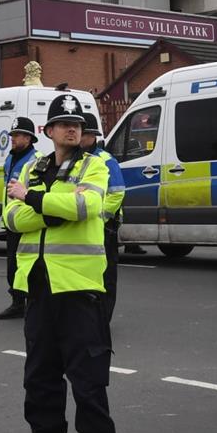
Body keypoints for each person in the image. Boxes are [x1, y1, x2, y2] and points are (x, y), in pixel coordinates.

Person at [3, 93, 116, 433]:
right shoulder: (32, 166)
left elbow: (85, 208)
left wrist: (34, 200)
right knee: (40, 372)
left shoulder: (95, 166)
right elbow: (11, 217)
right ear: (48, 131)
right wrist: (51, 207)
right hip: (37, 283)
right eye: (64, 123)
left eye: (78, 124)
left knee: (87, 373)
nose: (73, 128)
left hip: (78, 285)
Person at [79, 112, 125, 321]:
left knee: (106, 275)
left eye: (85, 134)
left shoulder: (105, 159)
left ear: (93, 136)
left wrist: (99, 216)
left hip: (104, 226)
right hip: (85, 227)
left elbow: (116, 193)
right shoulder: (75, 159)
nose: (80, 137)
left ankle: (104, 317)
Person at [0, 117, 41, 320]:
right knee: (12, 263)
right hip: (12, 221)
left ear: (29, 138)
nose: (13, 138)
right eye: (12, 134)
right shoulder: (10, 158)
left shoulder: (37, 160)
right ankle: (17, 302)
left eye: (18, 135)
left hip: (27, 221)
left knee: (28, 263)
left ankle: (31, 300)